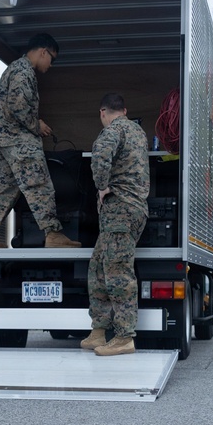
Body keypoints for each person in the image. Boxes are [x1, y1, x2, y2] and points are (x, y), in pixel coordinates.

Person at [0, 33, 81, 249]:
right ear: (43, 52)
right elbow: (18, 107)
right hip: (20, 144)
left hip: (7, 143)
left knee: (5, 190)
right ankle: (53, 235)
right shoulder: (23, 71)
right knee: (40, 186)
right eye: (51, 58)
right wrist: (37, 125)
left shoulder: (14, 70)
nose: (50, 64)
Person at [81, 93, 150, 356]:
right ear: (125, 109)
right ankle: (99, 330)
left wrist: (101, 187)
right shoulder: (138, 132)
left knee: (117, 272)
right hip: (131, 211)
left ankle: (124, 337)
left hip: (120, 209)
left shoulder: (112, 130)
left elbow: (99, 158)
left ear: (103, 112)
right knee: (98, 266)